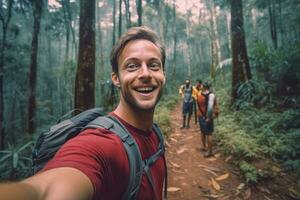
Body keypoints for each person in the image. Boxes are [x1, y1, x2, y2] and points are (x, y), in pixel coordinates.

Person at [0, 26, 167, 200]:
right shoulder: (101, 143)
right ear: (116, 78)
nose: (146, 74)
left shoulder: (154, 133)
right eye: (132, 66)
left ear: (163, 73)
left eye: (154, 65)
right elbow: (47, 189)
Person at [196, 81, 216, 157]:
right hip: (208, 117)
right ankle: (210, 151)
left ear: (203, 87)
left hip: (200, 115)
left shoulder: (199, 94)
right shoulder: (211, 95)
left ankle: (204, 147)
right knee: (209, 133)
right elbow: (210, 108)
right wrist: (208, 117)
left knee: (202, 131)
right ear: (209, 86)